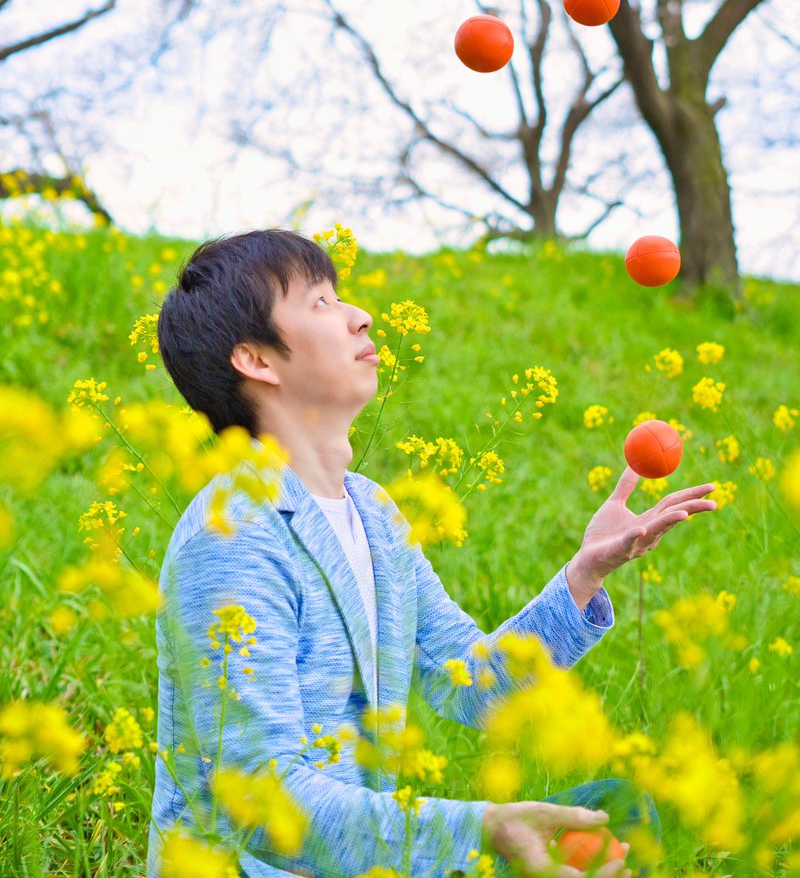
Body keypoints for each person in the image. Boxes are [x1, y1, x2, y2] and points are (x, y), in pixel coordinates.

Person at [147, 228, 716, 878]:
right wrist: (477, 832)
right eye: (321, 303)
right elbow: (257, 804)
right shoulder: (234, 535)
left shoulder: (374, 514)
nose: (360, 315)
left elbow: (475, 688)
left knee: (619, 816)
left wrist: (585, 574)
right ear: (257, 361)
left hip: (369, 856)